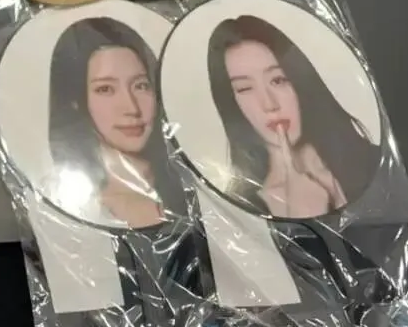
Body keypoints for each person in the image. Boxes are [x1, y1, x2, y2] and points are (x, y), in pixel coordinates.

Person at [207, 15, 379, 218]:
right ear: (231, 102)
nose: (269, 104)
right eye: (245, 88)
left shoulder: (373, 160)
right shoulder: (242, 211)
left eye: (278, 80)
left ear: (301, 80)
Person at [49, 17, 182, 229]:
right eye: (105, 89)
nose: (132, 108)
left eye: (141, 85)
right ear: (75, 100)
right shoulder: (70, 209)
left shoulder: (190, 188)